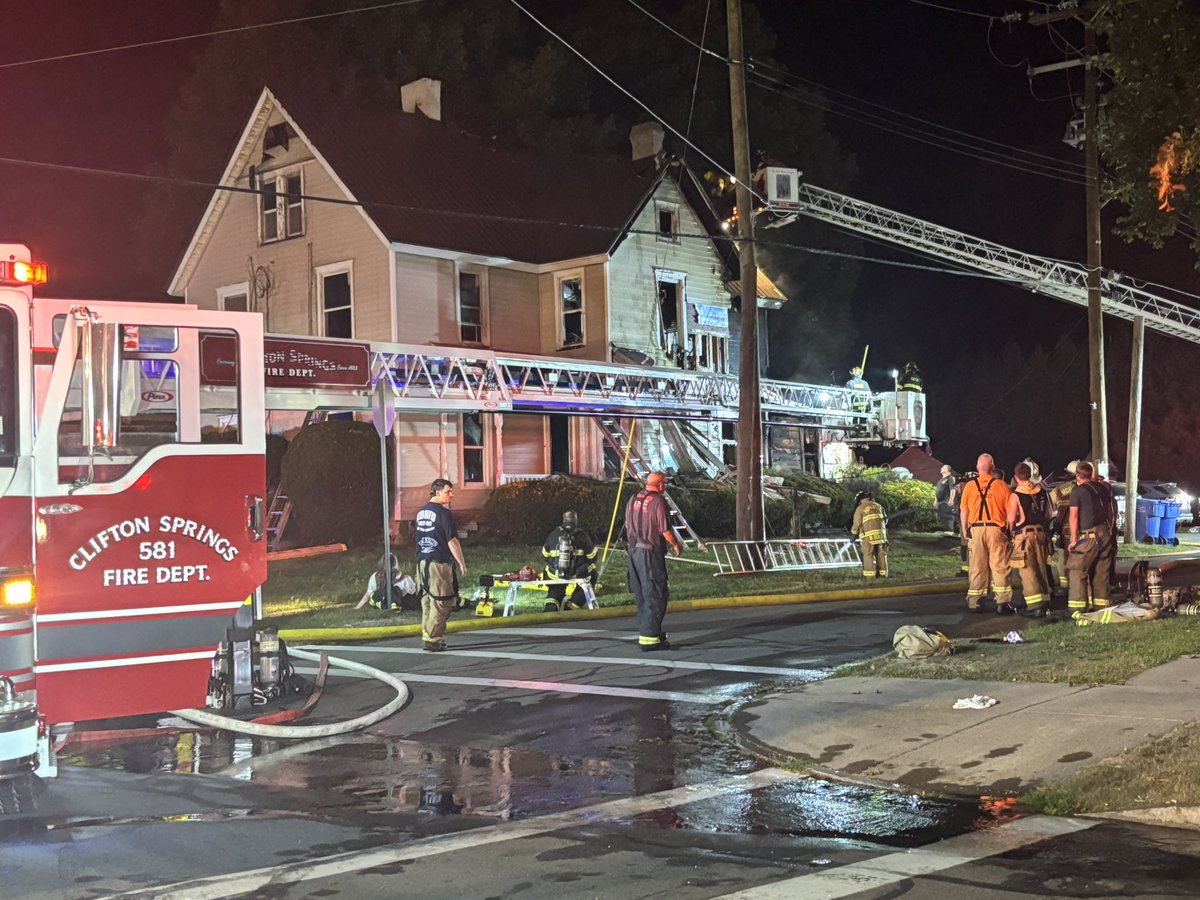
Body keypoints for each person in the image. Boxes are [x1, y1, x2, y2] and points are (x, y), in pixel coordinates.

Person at [625, 471, 682, 651]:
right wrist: (676, 544)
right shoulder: (658, 501)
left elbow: (627, 525)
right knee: (656, 594)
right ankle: (650, 639)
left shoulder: (633, 498)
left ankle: (649, 632)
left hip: (633, 552)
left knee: (642, 594)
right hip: (650, 553)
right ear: (661, 485)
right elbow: (665, 531)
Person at [415, 478, 467, 651]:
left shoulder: (421, 512)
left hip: (422, 562)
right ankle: (433, 639)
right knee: (441, 602)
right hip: (439, 564)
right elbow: (452, 540)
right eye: (448, 491)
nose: (451, 495)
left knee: (427, 602)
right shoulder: (444, 513)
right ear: (437, 493)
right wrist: (461, 563)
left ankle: (428, 635)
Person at [958, 453, 1014, 613]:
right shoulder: (1001, 485)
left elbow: (964, 510)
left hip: (975, 529)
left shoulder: (969, 486)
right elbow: (1010, 512)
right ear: (993, 467)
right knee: (1000, 566)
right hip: (996, 530)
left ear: (977, 467)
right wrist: (1009, 530)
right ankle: (1002, 603)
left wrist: (964, 530)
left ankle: (975, 601)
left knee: (976, 566)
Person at [1067, 460, 1116, 613]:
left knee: (1077, 569)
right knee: (1101, 571)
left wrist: (1074, 540)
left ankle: (1077, 609)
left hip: (1089, 536)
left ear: (1077, 475)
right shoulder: (1102, 488)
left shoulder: (1077, 491)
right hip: (1105, 534)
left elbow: (1073, 517)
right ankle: (1101, 606)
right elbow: (1112, 512)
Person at [1006, 462, 1052, 617]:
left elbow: (1011, 520)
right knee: (1041, 568)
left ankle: (1035, 606)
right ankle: (1045, 600)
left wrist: (1010, 534)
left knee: (1027, 569)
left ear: (1016, 477)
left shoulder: (1016, 495)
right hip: (1041, 535)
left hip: (1024, 537)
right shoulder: (1043, 492)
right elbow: (1048, 515)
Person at [540, 510, 598, 612]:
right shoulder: (582, 535)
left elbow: (545, 554)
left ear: (563, 520)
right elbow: (592, 556)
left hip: (556, 574)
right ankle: (573, 605)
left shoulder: (554, 533)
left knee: (556, 588)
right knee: (592, 573)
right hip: (576, 575)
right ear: (575, 521)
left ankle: (551, 605)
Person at [1048, 461, 1079, 596]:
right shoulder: (1084, 488)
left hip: (1063, 530)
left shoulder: (1059, 490)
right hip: (1080, 529)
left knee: (1063, 558)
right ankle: (1076, 584)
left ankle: (1064, 585)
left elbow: (1049, 509)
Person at [850, 490, 888, 577]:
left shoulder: (860, 508)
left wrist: (853, 534)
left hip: (868, 536)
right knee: (881, 554)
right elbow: (885, 520)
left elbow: (857, 523)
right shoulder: (879, 506)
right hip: (882, 535)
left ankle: (869, 575)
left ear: (860, 500)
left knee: (868, 554)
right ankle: (883, 574)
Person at [935, 464, 957, 535]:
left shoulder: (950, 478)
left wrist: (951, 500)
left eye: (943, 468)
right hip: (940, 503)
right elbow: (937, 491)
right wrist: (936, 501)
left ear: (948, 470)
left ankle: (949, 534)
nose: (941, 468)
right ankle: (944, 534)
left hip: (946, 502)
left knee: (948, 518)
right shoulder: (939, 481)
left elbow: (953, 489)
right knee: (942, 518)